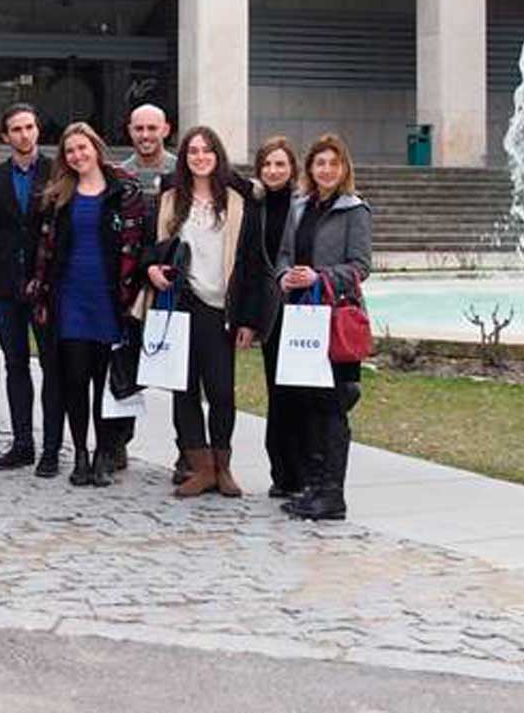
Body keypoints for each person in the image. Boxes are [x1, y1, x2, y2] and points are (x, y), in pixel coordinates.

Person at [24, 122, 149, 487]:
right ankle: (78, 452)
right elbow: (43, 252)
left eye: (83, 148)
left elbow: (138, 243)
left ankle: (103, 454)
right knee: (75, 379)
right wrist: (42, 293)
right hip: (71, 296)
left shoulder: (124, 190)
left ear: (96, 147)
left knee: (103, 380)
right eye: (70, 151)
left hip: (111, 297)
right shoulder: (57, 195)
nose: (78, 156)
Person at [144, 125, 261, 499]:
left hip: (222, 307)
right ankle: (201, 467)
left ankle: (223, 465)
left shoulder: (239, 199)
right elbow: (150, 248)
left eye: (207, 150)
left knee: (222, 391)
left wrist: (249, 319)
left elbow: (254, 262)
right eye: (192, 151)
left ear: (218, 155)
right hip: (182, 303)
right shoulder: (169, 199)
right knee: (185, 389)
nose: (199, 157)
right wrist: (152, 270)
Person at [276, 133, 372, 522]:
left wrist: (319, 276)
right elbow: (283, 254)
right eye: (320, 163)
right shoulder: (299, 207)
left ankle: (333, 493)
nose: (327, 170)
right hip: (302, 315)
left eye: (334, 163)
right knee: (307, 402)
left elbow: (361, 266)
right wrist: (285, 277)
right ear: (311, 169)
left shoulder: (355, 210)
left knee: (334, 405)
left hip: (336, 317)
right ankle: (313, 485)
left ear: (343, 168)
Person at [0, 103, 54, 472]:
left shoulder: (58, 171)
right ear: (5, 136)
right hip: (4, 287)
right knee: (16, 365)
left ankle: (52, 446)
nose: (25, 135)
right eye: (16, 129)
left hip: (46, 286)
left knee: (54, 367)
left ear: (38, 129)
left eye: (30, 127)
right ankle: (22, 442)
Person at [243, 136, 302, 499]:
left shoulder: (305, 204)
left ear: (292, 168)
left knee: (302, 393)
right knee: (277, 393)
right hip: (271, 312)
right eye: (267, 164)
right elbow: (249, 262)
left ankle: (304, 469)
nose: (273, 171)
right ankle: (282, 473)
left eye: (280, 164)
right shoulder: (255, 205)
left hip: (302, 308)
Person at [118, 102, 175, 477]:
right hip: (130, 283)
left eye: (152, 128)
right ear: (130, 131)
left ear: (166, 130)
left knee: (182, 370)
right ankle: (115, 443)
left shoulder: (183, 170)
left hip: (173, 282)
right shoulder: (120, 174)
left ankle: (190, 451)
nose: (146, 136)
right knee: (121, 366)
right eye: (139, 129)